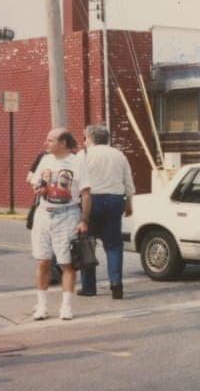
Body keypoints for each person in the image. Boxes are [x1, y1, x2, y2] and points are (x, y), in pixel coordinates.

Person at [28, 128, 90, 321]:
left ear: (63, 143)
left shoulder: (78, 162)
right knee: (42, 260)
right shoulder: (45, 160)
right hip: (43, 215)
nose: (46, 143)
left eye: (51, 140)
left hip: (68, 215)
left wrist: (84, 220)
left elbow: (86, 193)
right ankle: (42, 306)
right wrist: (37, 187)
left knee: (67, 263)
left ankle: (66, 307)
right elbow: (35, 182)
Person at [78, 124, 135, 300]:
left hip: (92, 201)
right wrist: (129, 203)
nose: (84, 141)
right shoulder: (119, 155)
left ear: (91, 138)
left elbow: (78, 183)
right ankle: (116, 283)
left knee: (87, 243)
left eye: (85, 138)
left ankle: (89, 287)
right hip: (115, 200)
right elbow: (128, 181)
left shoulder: (83, 155)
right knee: (113, 245)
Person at [26, 147, 62, 285]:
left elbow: (29, 178)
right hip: (66, 205)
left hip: (46, 204)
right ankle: (56, 270)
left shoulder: (43, 157)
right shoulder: (74, 157)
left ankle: (52, 272)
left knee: (48, 239)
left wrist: (40, 189)